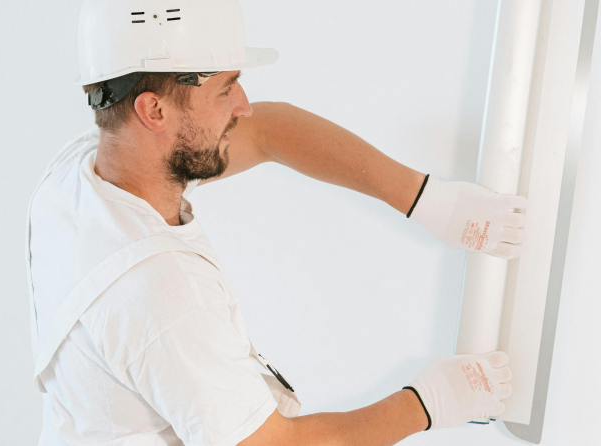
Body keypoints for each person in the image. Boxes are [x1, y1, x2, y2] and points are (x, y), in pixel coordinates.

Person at [26, 1, 525, 445]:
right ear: (153, 109)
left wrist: (429, 201)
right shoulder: (160, 295)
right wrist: (429, 404)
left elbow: (266, 130)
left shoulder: (84, 174)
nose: (242, 104)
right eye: (225, 90)